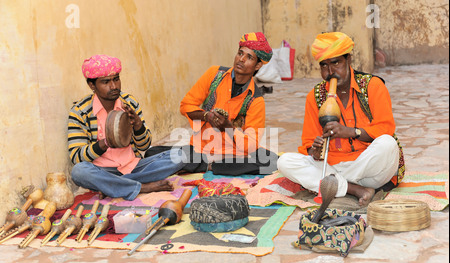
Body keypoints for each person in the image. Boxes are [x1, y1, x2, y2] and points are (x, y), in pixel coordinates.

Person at [277, 32, 405, 206]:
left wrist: (351, 132)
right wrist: (314, 152)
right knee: (284, 162)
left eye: (335, 63)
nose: (330, 72)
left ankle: (334, 184)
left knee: (388, 145)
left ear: (348, 60)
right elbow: (307, 145)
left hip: (367, 168)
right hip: (333, 166)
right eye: (324, 65)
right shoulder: (314, 97)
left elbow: (386, 129)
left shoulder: (373, 86)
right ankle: (354, 189)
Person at [150, 32, 278, 176]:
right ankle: (207, 164)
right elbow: (186, 105)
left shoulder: (255, 100)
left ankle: (206, 165)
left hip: (233, 155)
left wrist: (229, 128)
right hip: (201, 148)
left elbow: (251, 144)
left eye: (249, 57)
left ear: (258, 65)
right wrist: (207, 116)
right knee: (151, 152)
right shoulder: (214, 75)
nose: (241, 59)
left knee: (272, 161)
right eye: (240, 53)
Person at [68, 54, 186, 201]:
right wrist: (105, 143)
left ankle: (113, 187)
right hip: (103, 171)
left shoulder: (129, 102)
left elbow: (145, 146)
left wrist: (138, 125)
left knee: (180, 156)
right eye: (106, 82)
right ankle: (141, 187)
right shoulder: (80, 112)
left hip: (134, 166)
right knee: (79, 172)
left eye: (116, 79)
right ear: (92, 85)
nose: (114, 86)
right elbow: (77, 156)